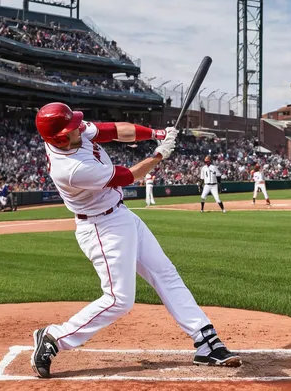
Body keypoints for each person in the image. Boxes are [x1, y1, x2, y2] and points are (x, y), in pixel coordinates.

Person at [31, 102, 241, 378]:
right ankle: (54, 337)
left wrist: (156, 133)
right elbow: (125, 176)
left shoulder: (72, 134)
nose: (79, 128)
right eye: (72, 128)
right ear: (59, 137)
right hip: (101, 227)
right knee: (119, 299)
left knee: (165, 273)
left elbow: (113, 130)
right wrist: (158, 155)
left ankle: (206, 341)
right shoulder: (70, 168)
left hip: (120, 215)